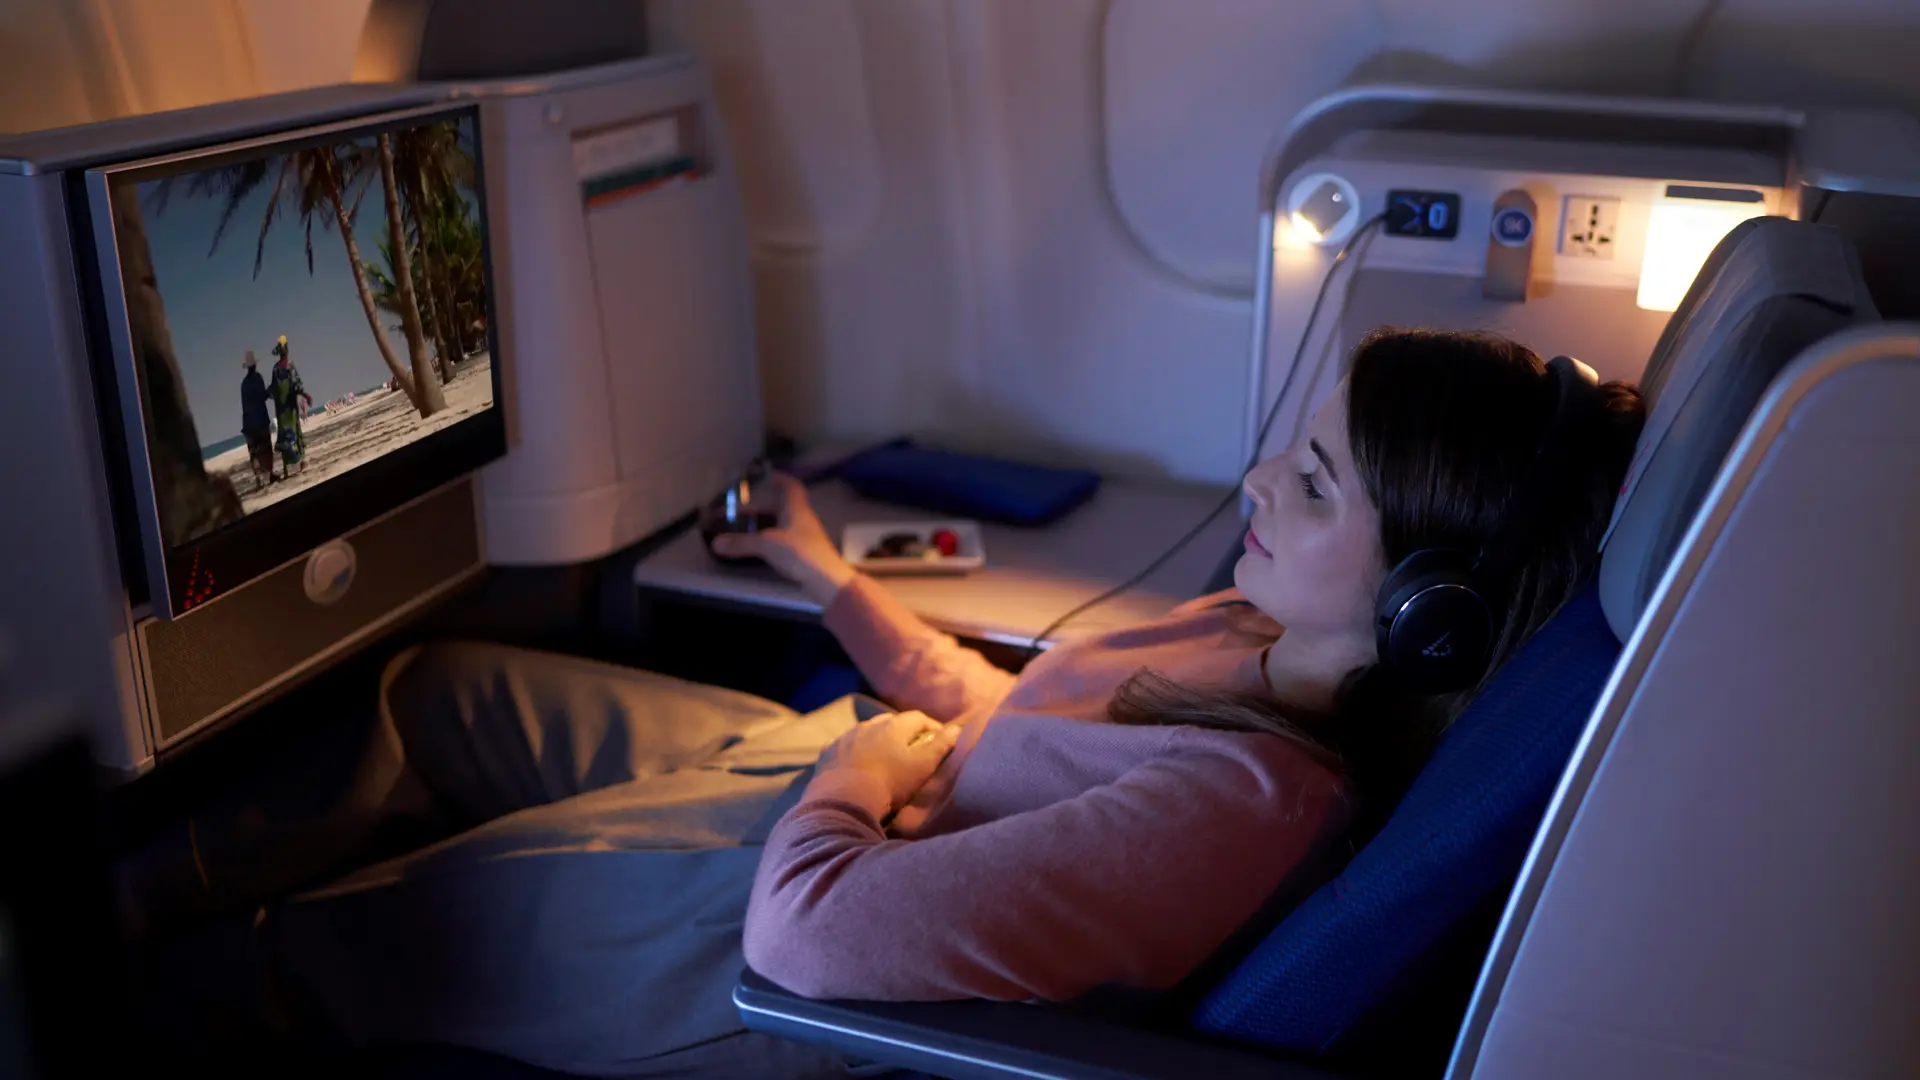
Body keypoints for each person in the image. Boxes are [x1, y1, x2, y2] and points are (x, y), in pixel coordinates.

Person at [123, 329, 1646, 1077]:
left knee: (369, 937)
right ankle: (137, 878)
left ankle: (96, 985)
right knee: (433, 690)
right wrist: (819, 571)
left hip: (779, 947)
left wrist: (859, 766)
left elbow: (813, 942)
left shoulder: (1245, 804)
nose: (1256, 479)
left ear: (1426, 605)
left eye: (1312, 483)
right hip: (844, 798)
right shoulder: (1249, 625)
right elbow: (1014, 717)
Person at [267, 335, 312, 476]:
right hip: (291, 408)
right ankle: (302, 462)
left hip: (281, 411)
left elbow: (272, 389)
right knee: (296, 432)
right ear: (287, 349)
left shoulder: (275, 369)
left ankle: (286, 468)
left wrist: (264, 395)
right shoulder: (290, 365)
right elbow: (297, 385)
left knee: (284, 435)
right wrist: (306, 395)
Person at [239, 350, 274, 487]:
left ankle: (258, 480)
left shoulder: (243, 384)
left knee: (254, 452)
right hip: (260, 420)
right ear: (255, 365)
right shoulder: (257, 378)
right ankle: (270, 475)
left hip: (248, 423)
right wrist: (270, 390)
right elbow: (263, 396)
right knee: (266, 448)